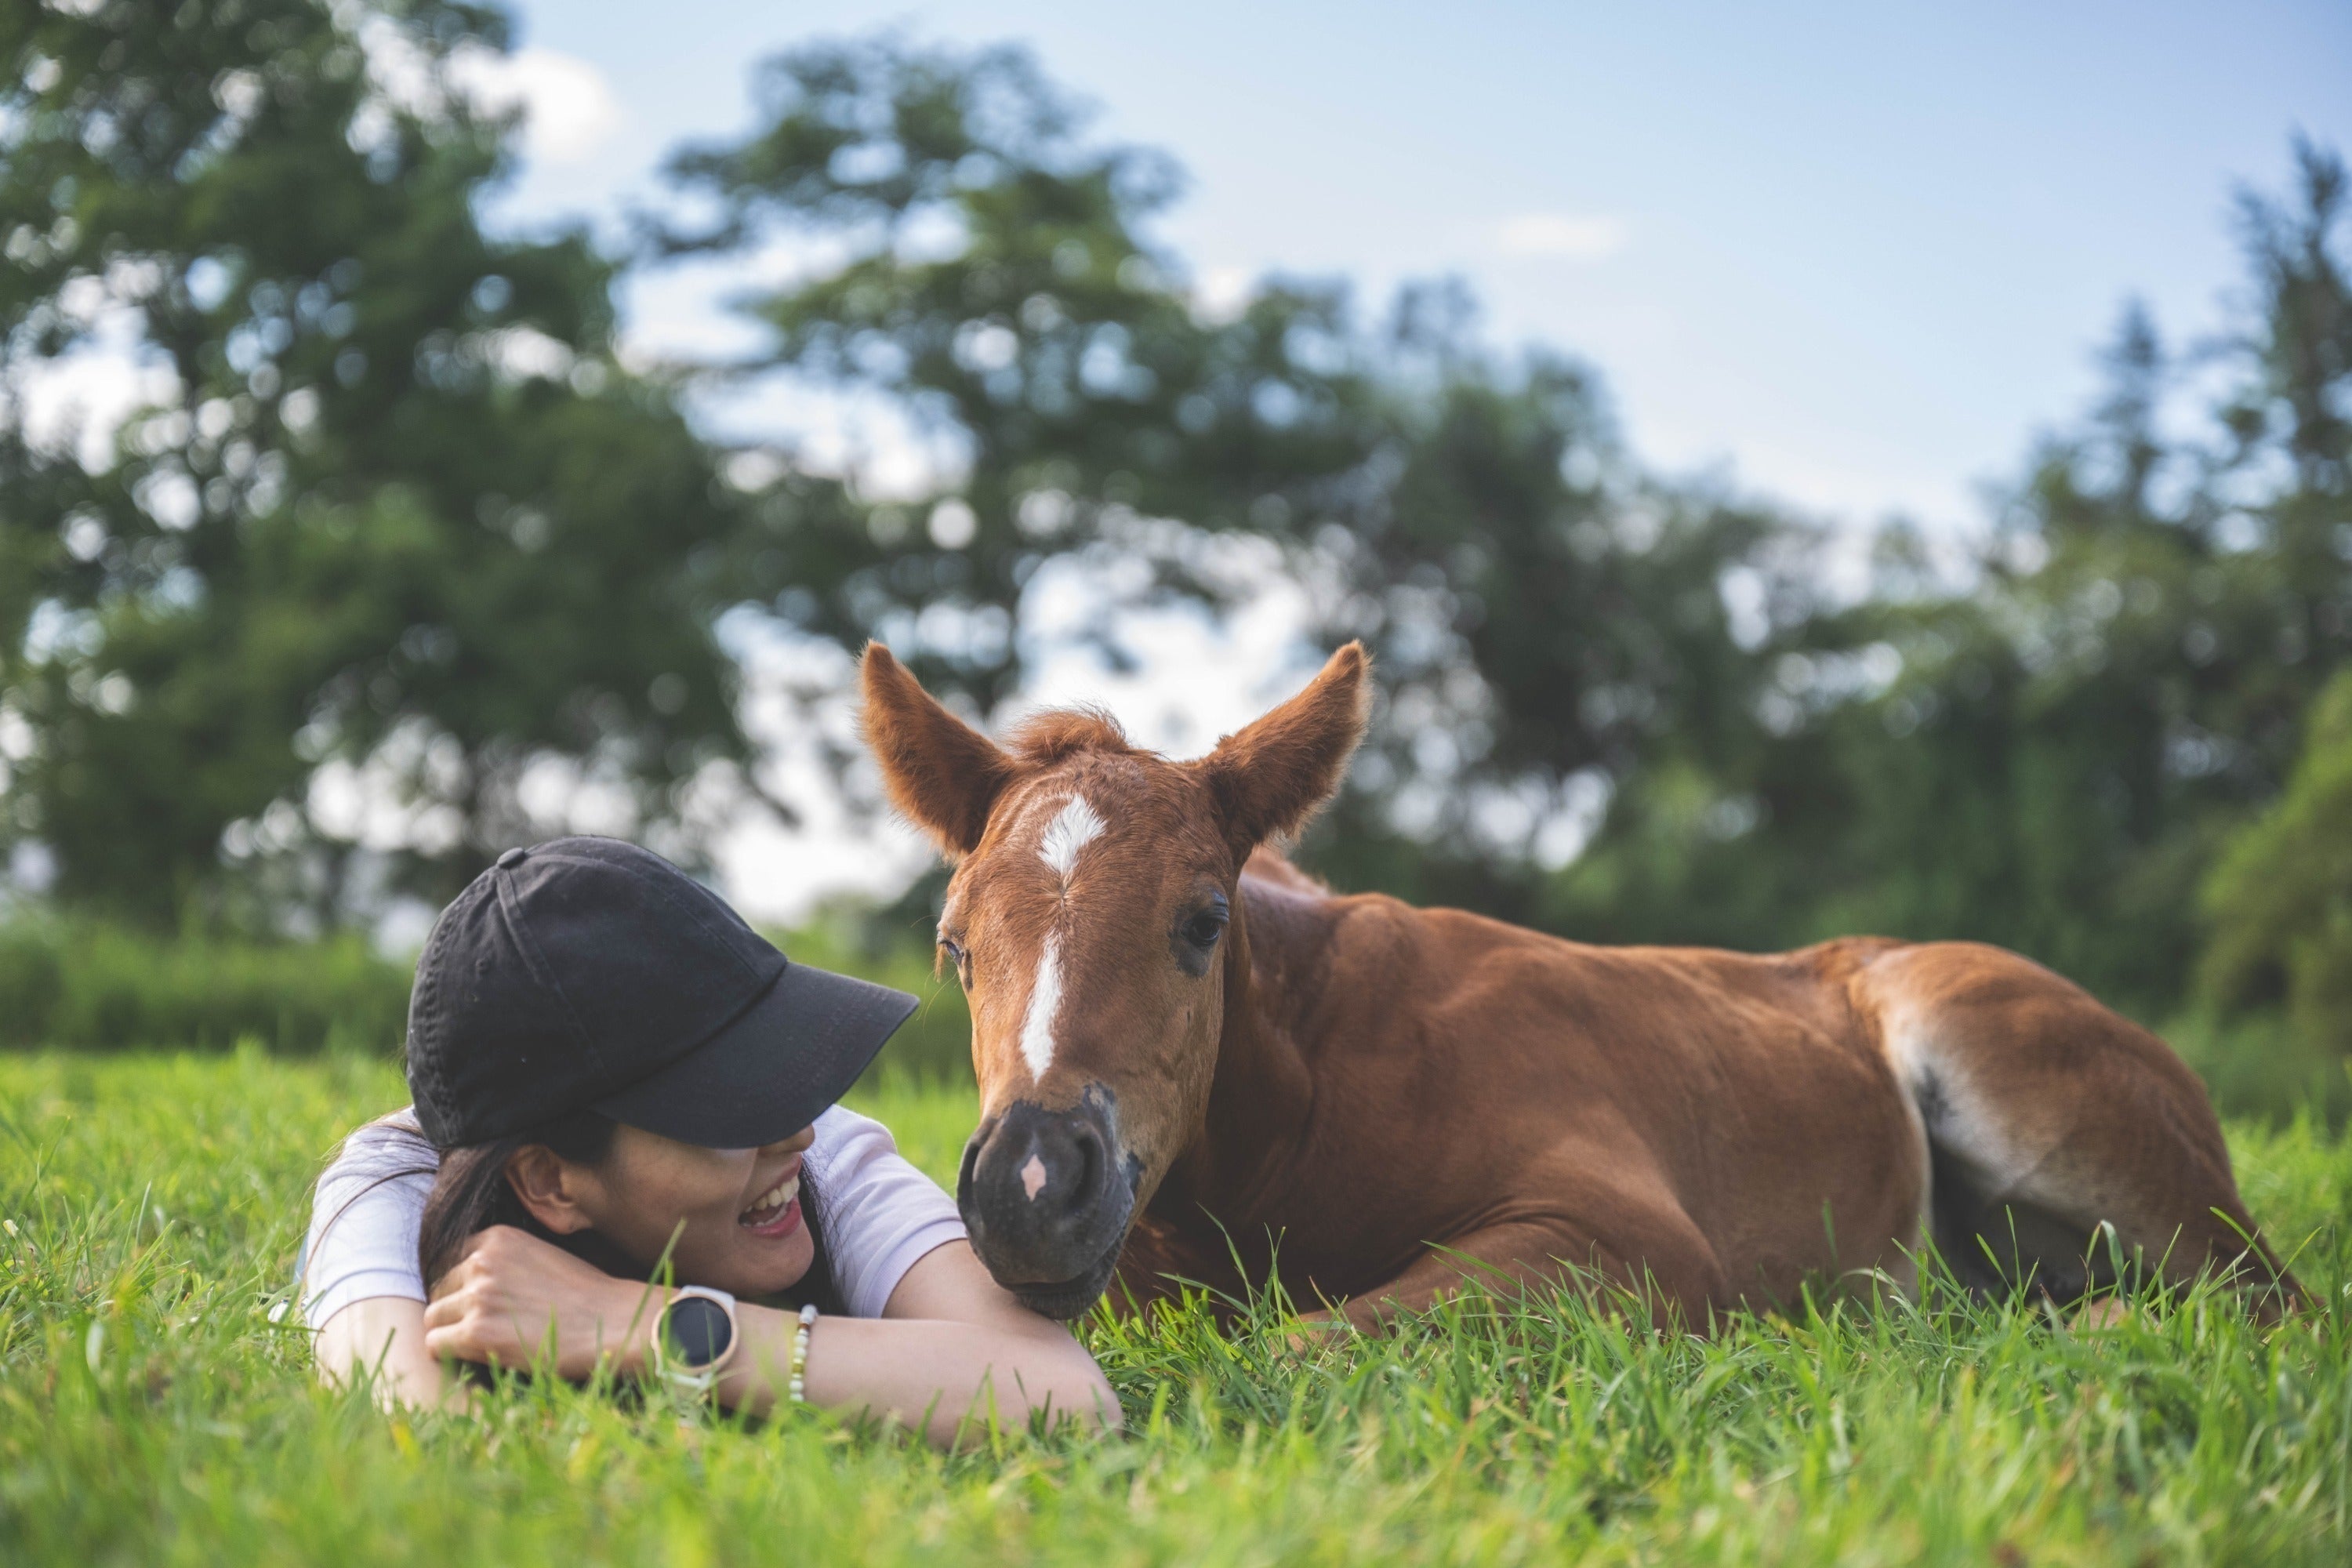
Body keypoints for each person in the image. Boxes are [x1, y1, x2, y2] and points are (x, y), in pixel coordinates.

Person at [299, 837, 1118, 1447]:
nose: (794, 1128)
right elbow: (409, 1413)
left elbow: (1064, 1397)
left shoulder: (827, 1153)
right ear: (548, 1179)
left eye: (772, 1067)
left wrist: (640, 1323)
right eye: (730, 1106)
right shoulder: (392, 1181)